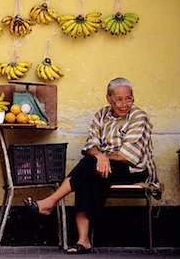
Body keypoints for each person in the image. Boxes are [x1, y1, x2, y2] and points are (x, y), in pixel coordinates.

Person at [23, 77, 161, 254]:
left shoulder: (138, 117)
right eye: (119, 99)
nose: (125, 104)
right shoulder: (101, 114)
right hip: (103, 167)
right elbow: (91, 145)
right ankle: (83, 241)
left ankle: (50, 202)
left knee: (89, 165)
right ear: (109, 99)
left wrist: (101, 157)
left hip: (133, 169)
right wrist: (100, 157)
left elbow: (126, 156)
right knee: (89, 175)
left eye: (129, 98)